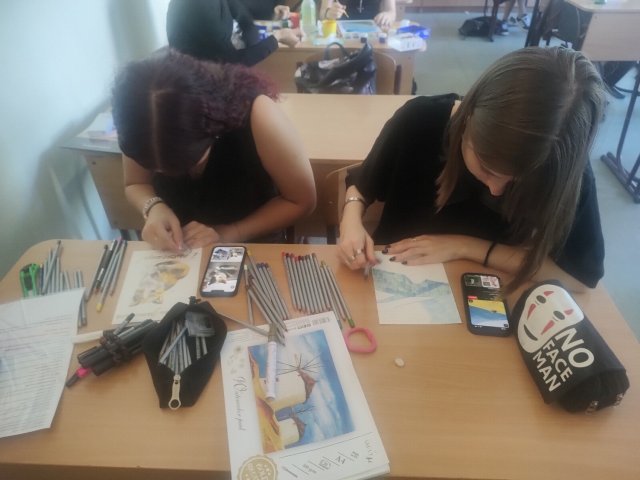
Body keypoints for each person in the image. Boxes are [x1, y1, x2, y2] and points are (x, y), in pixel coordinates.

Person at [338, 46, 606, 293]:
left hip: (487, 289)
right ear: (467, 120)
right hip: (389, 275)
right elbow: (362, 186)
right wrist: (351, 222)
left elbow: (580, 278)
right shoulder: (420, 121)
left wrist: (464, 246)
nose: (496, 190)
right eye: (487, 168)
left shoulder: (563, 166)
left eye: (517, 181)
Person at [111, 50, 316, 252]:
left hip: (252, 238)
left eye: (187, 164)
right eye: (153, 167)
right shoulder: (141, 120)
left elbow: (301, 201)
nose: (165, 174)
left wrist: (230, 233)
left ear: (213, 128)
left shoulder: (258, 116)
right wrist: (154, 206)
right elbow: (136, 183)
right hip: (180, 246)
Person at [167, 0, 300, 67]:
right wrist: (277, 38)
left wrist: (272, 16)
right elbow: (230, 63)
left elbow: (242, 14)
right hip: (200, 85)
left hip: (222, 68)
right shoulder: (199, 5)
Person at [320, 0, 396, 28]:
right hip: (341, 35)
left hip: (374, 36)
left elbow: (392, 13)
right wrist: (328, 13)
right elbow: (322, 13)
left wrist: (387, 15)